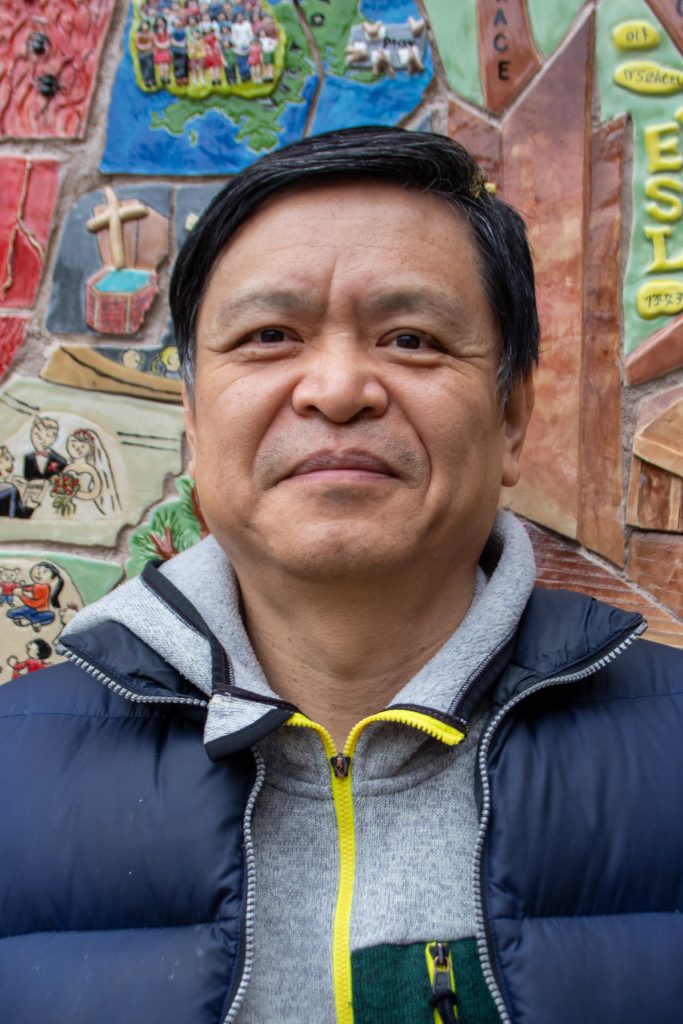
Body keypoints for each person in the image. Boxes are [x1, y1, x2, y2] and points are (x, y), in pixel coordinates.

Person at [0, 127, 681, 1023]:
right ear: (193, 422)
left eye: (410, 338)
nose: (335, 388)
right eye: (268, 335)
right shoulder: (14, 770)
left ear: (512, 419)